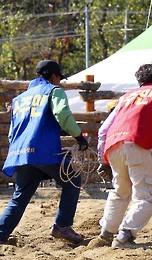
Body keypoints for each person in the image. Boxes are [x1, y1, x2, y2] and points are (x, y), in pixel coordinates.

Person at [94, 63, 152, 248]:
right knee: (148, 195)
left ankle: (106, 233)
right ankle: (125, 235)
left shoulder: (125, 97)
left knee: (120, 191)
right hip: (137, 143)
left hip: (113, 144)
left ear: (140, 81)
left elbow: (103, 130)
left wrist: (102, 158)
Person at [0, 60, 89, 245]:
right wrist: (79, 137)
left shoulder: (20, 99)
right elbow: (62, 115)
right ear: (54, 76)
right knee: (72, 179)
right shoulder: (53, 91)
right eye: (59, 78)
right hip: (43, 150)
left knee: (20, 195)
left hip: (21, 152)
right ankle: (62, 226)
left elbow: (15, 129)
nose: (60, 82)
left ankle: (1, 232)